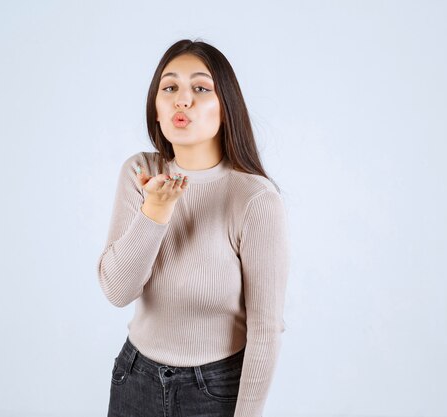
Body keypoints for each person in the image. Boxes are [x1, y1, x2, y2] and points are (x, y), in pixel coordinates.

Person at [96, 38, 290, 417]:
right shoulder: (140, 174)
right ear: (156, 109)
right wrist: (155, 211)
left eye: (200, 88)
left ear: (226, 108)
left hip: (215, 390)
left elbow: (265, 331)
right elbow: (118, 291)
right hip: (134, 378)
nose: (181, 100)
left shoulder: (254, 199)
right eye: (169, 88)